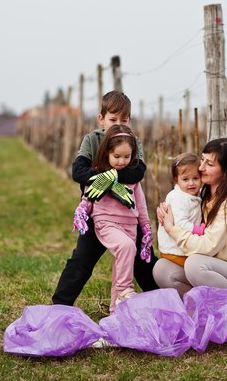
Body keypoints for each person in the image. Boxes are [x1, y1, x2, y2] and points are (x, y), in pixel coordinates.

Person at [51, 91, 158, 307]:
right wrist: (112, 178)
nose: (118, 124)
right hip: (97, 214)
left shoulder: (133, 142)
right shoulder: (92, 140)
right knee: (81, 261)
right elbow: (78, 171)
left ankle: (163, 303)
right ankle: (59, 306)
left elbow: (137, 173)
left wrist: (105, 178)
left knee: (144, 263)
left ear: (130, 120)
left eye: (124, 120)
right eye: (113, 119)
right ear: (101, 119)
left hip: (128, 216)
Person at [155, 138, 227, 299]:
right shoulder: (205, 198)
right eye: (202, 160)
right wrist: (169, 209)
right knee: (162, 268)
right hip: (218, 271)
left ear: (226, 170)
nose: (201, 167)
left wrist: (171, 228)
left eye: (209, 164)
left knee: (195, 265)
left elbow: (207, 246)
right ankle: (201, 309)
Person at [71, 124, 152, 313]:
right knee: (126, 247)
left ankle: (116, 314)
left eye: (127, 157)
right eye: (116, 156)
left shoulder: (132, 179)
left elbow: (140, 204)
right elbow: (89, 195)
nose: (122, 161)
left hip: (130, 226)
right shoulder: (101, 175)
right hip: (106, 222)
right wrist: (83, 209)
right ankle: (125, 289)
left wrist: (146, 227)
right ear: (107, 153)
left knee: (121, 265)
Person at [153, 153, 206, 296]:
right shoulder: (178, 198)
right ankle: (198, 294)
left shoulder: (194, 194)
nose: (191, 183)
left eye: (195, 178)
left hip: (181, 247)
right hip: (174, 251)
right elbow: (181, 223)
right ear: (176, 180)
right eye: (185, 179)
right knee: (196, 270)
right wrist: (198, 229)